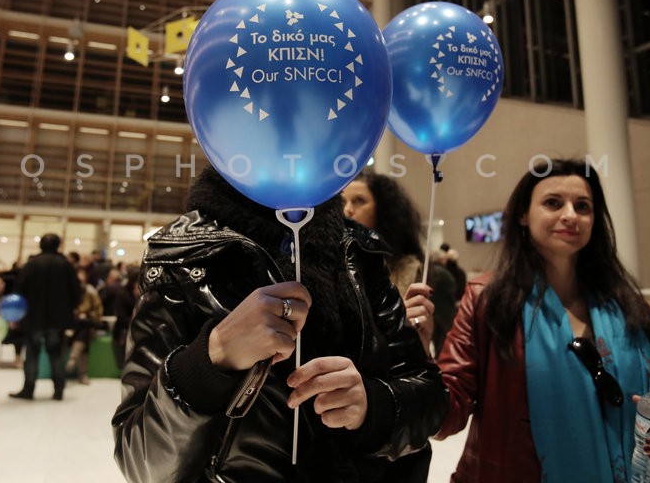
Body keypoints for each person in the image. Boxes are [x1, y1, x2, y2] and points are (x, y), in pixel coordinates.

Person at [112, 167, 447, 482]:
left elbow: (430, 398)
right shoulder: (181, 257)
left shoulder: (359, 250)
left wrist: (373, 407)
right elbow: (141, 461)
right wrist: (212, 358)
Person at [435, 159, 650, 482]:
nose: (570, 215)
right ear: (523, 215)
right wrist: (417, 351)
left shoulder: (626, 306)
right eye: (552, 203)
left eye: (583, 206)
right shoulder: (488, 300)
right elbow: (445, 415)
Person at [341, 171, 452, 356]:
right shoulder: (336, 273)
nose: (347, 210)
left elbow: (444, 353)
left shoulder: (428, 275)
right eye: (342, 203)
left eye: (359, 201)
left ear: (384, 210)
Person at [9, 233, 82, 401]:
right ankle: (58, 390)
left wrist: (17, 315)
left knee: (32, 354)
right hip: (57, 319)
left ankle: (29, 389)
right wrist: (70, 308)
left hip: (33, 317)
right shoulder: (65, 265)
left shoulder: (31, 264)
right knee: (56, 354)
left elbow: (19, 290)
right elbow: (76, 292)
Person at [67, 267, 103, 385]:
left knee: (84, 329)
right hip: (70, 325)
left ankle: (73, 359)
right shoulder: (68, 292)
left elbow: (98, 313)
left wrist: (86, 314)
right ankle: (82, 373)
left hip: (87, 325)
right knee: (82, 331)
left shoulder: (91, 293)